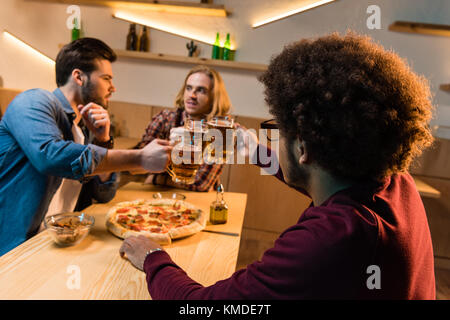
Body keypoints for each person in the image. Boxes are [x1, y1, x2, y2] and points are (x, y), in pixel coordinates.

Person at [119, 32, 436, 299]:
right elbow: (314, 172)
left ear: (303, 148)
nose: (275, 136)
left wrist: (152, 257)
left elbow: (200, 305)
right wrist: (250, 147)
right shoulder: (394, 180)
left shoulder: (325, 241)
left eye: (279, 128)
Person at [0, 38, 171, 256]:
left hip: (57, 243)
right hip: (12, 249)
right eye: (106, 78)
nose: (113, 87)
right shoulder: (33, 101)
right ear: (79, 76)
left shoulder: (84, 127)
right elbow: (49, 157)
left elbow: (103, 193)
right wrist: (140, 158)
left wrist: (103, 140)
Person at [130, 65, 233, 192]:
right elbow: (136, 165)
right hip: (158, 198)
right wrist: (174, 147)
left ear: (213, 97)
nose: (192, 95)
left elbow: (201, 184)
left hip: (199, 201)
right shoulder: (165, 119)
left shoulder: (220, 131)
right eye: (189, 88)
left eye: (201, 90)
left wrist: (156, 179)